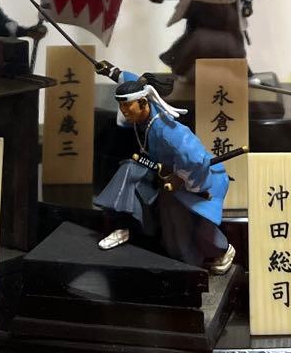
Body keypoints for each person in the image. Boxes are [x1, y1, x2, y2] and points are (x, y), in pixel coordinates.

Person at [91, 67, 235, 273]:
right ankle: (125, 226)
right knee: (129, 172)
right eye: (121, 105)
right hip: (164, 172)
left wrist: (180, 178)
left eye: (127, 106)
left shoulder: (168, 132)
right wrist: (111, 71)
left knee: (187, 228)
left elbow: (196, 159)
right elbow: (133, 80)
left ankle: (223, 251)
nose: (123, 111)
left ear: (143, 103)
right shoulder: (144, 108)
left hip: (199, 179)